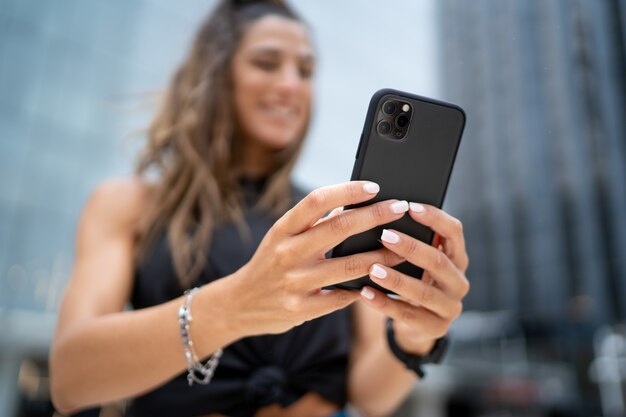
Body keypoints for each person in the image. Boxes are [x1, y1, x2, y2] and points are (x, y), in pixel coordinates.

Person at [49, 1, 470, 416]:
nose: (291, 84)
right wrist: (236, 305)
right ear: (216, 76)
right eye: (267, 63)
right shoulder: (129, 204)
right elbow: (70, 380)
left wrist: (416, 337)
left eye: (304, 71)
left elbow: (370, 395)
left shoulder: (333, 219)